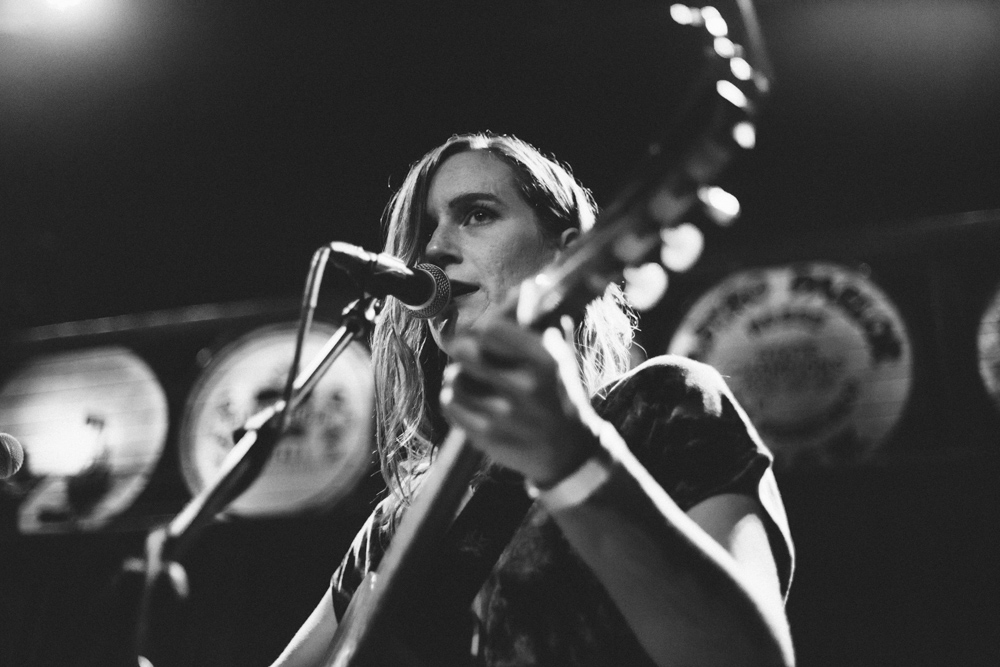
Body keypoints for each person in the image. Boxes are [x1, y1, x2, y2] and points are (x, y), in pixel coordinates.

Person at [270, 133, 795, 666]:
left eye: (476, 214)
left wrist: (572, 459)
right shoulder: (401, 518)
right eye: (426, 228)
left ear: (566, 251)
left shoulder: (662, 405)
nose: (433, 249)